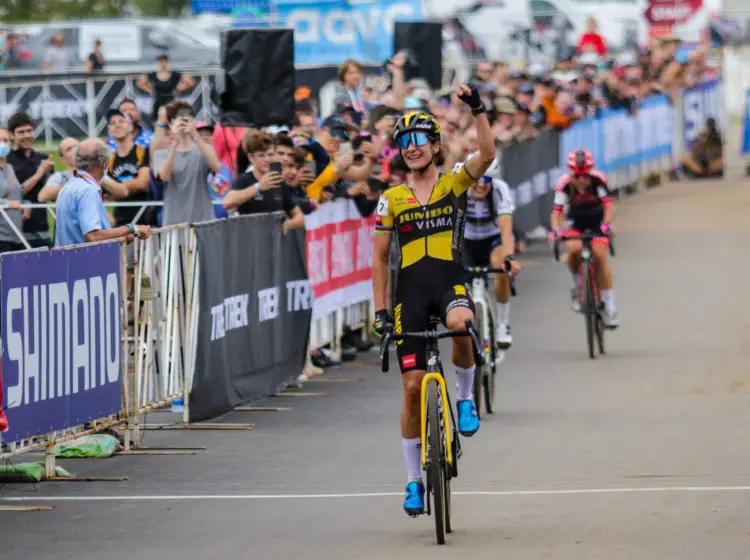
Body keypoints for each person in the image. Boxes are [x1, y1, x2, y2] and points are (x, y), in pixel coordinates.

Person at [371, 84, 495, 517]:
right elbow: (381, 259)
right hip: (410, 293)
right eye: (403, 142)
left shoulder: (454, 181)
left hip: (447, 282)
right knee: (410, 390)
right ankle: (411, 482)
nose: (411, 148)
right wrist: (380, 312)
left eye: (419, 140)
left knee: (462, 321)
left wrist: (477, 109)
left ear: (434, 145)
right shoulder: (391, 199)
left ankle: (464, 398)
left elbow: (488, 155)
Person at [549, 149, 618, 328]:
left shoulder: (598, 180)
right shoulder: (564, 184)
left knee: (599, 255)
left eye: (585, 175)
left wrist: (607, 224)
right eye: (577, 176)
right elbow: (556, 212)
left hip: (597, 221)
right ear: (571, 173)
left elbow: (609, 206)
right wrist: (556, 229)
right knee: (573, 249)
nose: (581, 180)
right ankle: (576, 286)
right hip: (575, 221)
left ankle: (610, 306)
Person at [56, 139, 151, 247]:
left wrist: (123, 237)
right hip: (87, 261)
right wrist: (131, 228)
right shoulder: (88, 189)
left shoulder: (69, 186)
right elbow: (93, 236)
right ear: (104, 164)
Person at [462, 173, 520, 348]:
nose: (480, 184)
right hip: (466, 240)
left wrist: (509, 258)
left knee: (502, 266)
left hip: (493, 238)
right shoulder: (460, 186)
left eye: (486, 180)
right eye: (476, 179)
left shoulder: (500, 190)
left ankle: (502, 324)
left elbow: (506, 229)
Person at [153, 102, 221, 226]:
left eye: (186, 117)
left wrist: (195, 135)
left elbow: (216, 167)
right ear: (170, 123)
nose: (182, 122)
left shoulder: (205, 149)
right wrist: (175, 144)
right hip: (173, 223)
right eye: (177, 118)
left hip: (203, 221)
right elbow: (164, 176)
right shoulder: (162, 153)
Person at [223, 131, 303, 231]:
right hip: (250, 241)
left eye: (270, 155)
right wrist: (259, 186)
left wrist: (288, 224)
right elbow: (227, 202)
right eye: (261, 155)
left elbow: (299, 216)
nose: (266, 159)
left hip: (274, 242)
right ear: (251, 158)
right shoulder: (244, 179)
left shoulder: (278, 181)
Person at [6, 111, 54, 247]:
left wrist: (52, 177)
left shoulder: (43, 159)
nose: (27, 136)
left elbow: (50, 195)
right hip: (16, 232)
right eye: (21, 132)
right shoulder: (7, 162)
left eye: (29, 131)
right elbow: (15, 194)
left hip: (43, 229)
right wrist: (40, 174)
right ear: (11, 135)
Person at [105, 108, 152, 227]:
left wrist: (118, 189)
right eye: (112, 123)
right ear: (109, 131)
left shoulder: (144, 151)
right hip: (121, 223)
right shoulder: (109, 160)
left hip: (146, 220)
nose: (117, 125)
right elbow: (105, 195)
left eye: (121, 121)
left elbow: (143, 182)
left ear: (130, 126)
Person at [137, 54, 195, 122]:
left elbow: (190, 82)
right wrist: (149, 90)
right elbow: (140, 83)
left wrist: (179, 89)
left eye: (165, 61)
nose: (163, 64)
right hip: (158, 101)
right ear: (159, 63)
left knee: (173, 120)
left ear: (167, 62)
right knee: (157, 122)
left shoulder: (175, 74)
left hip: (171, 101)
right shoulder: (153, 75)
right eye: (161, 62)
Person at [0, 127, 26, 252]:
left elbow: (16, 194)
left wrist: (25, 205)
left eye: (5, 140)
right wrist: (7, 204)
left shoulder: (9, 168)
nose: (2, 144)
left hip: (16, 234)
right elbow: (9, 201)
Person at [38, 137, 78, 202]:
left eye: (76, 147)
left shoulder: (95, 170)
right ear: (62, 159)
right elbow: (42, 197)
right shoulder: (59, 176)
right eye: (69, 149)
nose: (74, 151)